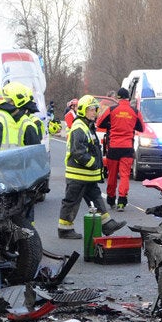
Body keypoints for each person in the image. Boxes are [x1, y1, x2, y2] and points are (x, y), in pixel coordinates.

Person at [57, 95, 126, 240]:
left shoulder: (87, 125)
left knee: (96, 198)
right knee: (71, 202)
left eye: (95, 109)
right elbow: (78, 152)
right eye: (92, 109)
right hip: (78, 175)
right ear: (83, 110)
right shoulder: (79, 127)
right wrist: (94, 164)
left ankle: (107, 224)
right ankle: (65, 229)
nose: (95, 112)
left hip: (87, 175)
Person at [95, 87, 143, 211]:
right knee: (124, 175)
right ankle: (122, 200)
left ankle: (111, 199)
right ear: (128, 98)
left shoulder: (111, 109)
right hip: (127, 147)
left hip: (114, 147)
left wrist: (110, 124)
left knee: (112, 175)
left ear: (118, 98)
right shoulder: (135, 111)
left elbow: (99, 123)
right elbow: (141, 127)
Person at [3, 81, 42, 146]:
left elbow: (35, 151)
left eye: (7, 100)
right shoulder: (7, 120)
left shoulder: (28, 126)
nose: (4, 104)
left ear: (17, 102)